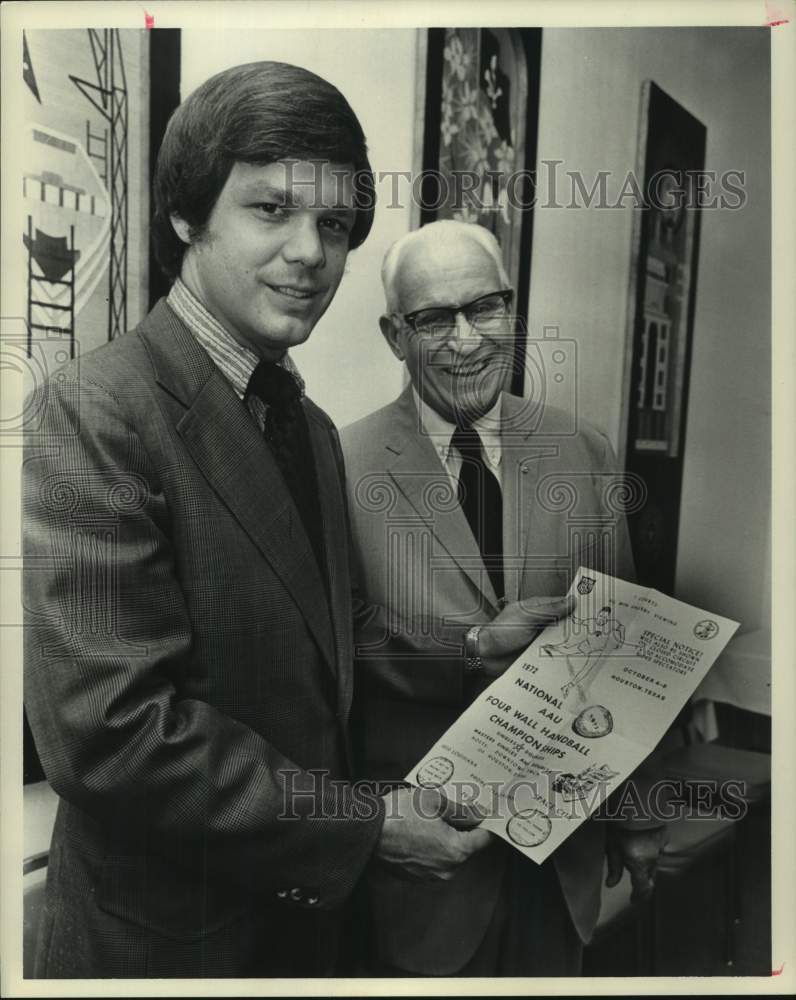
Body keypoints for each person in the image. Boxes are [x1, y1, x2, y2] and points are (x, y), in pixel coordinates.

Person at [22, 64, 547, 979]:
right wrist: (365, 826)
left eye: (334, 225)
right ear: (186, 216)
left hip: (305, 935)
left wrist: (471, 648)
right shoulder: (95, 408)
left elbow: (327, 633)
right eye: (272, 209)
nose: (311, 252)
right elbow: (111, 734)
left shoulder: (306, 425)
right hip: (170, 949)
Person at [340, 220, 667, 976]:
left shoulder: (583, 450)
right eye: (434, 318)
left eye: (484, 307)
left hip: (561, 856)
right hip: (426, 869)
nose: (467, 340)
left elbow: (624, 647)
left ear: (511, 310)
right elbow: (334, 649)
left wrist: (637, 813)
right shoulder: (339, 463)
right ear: (394, 336)